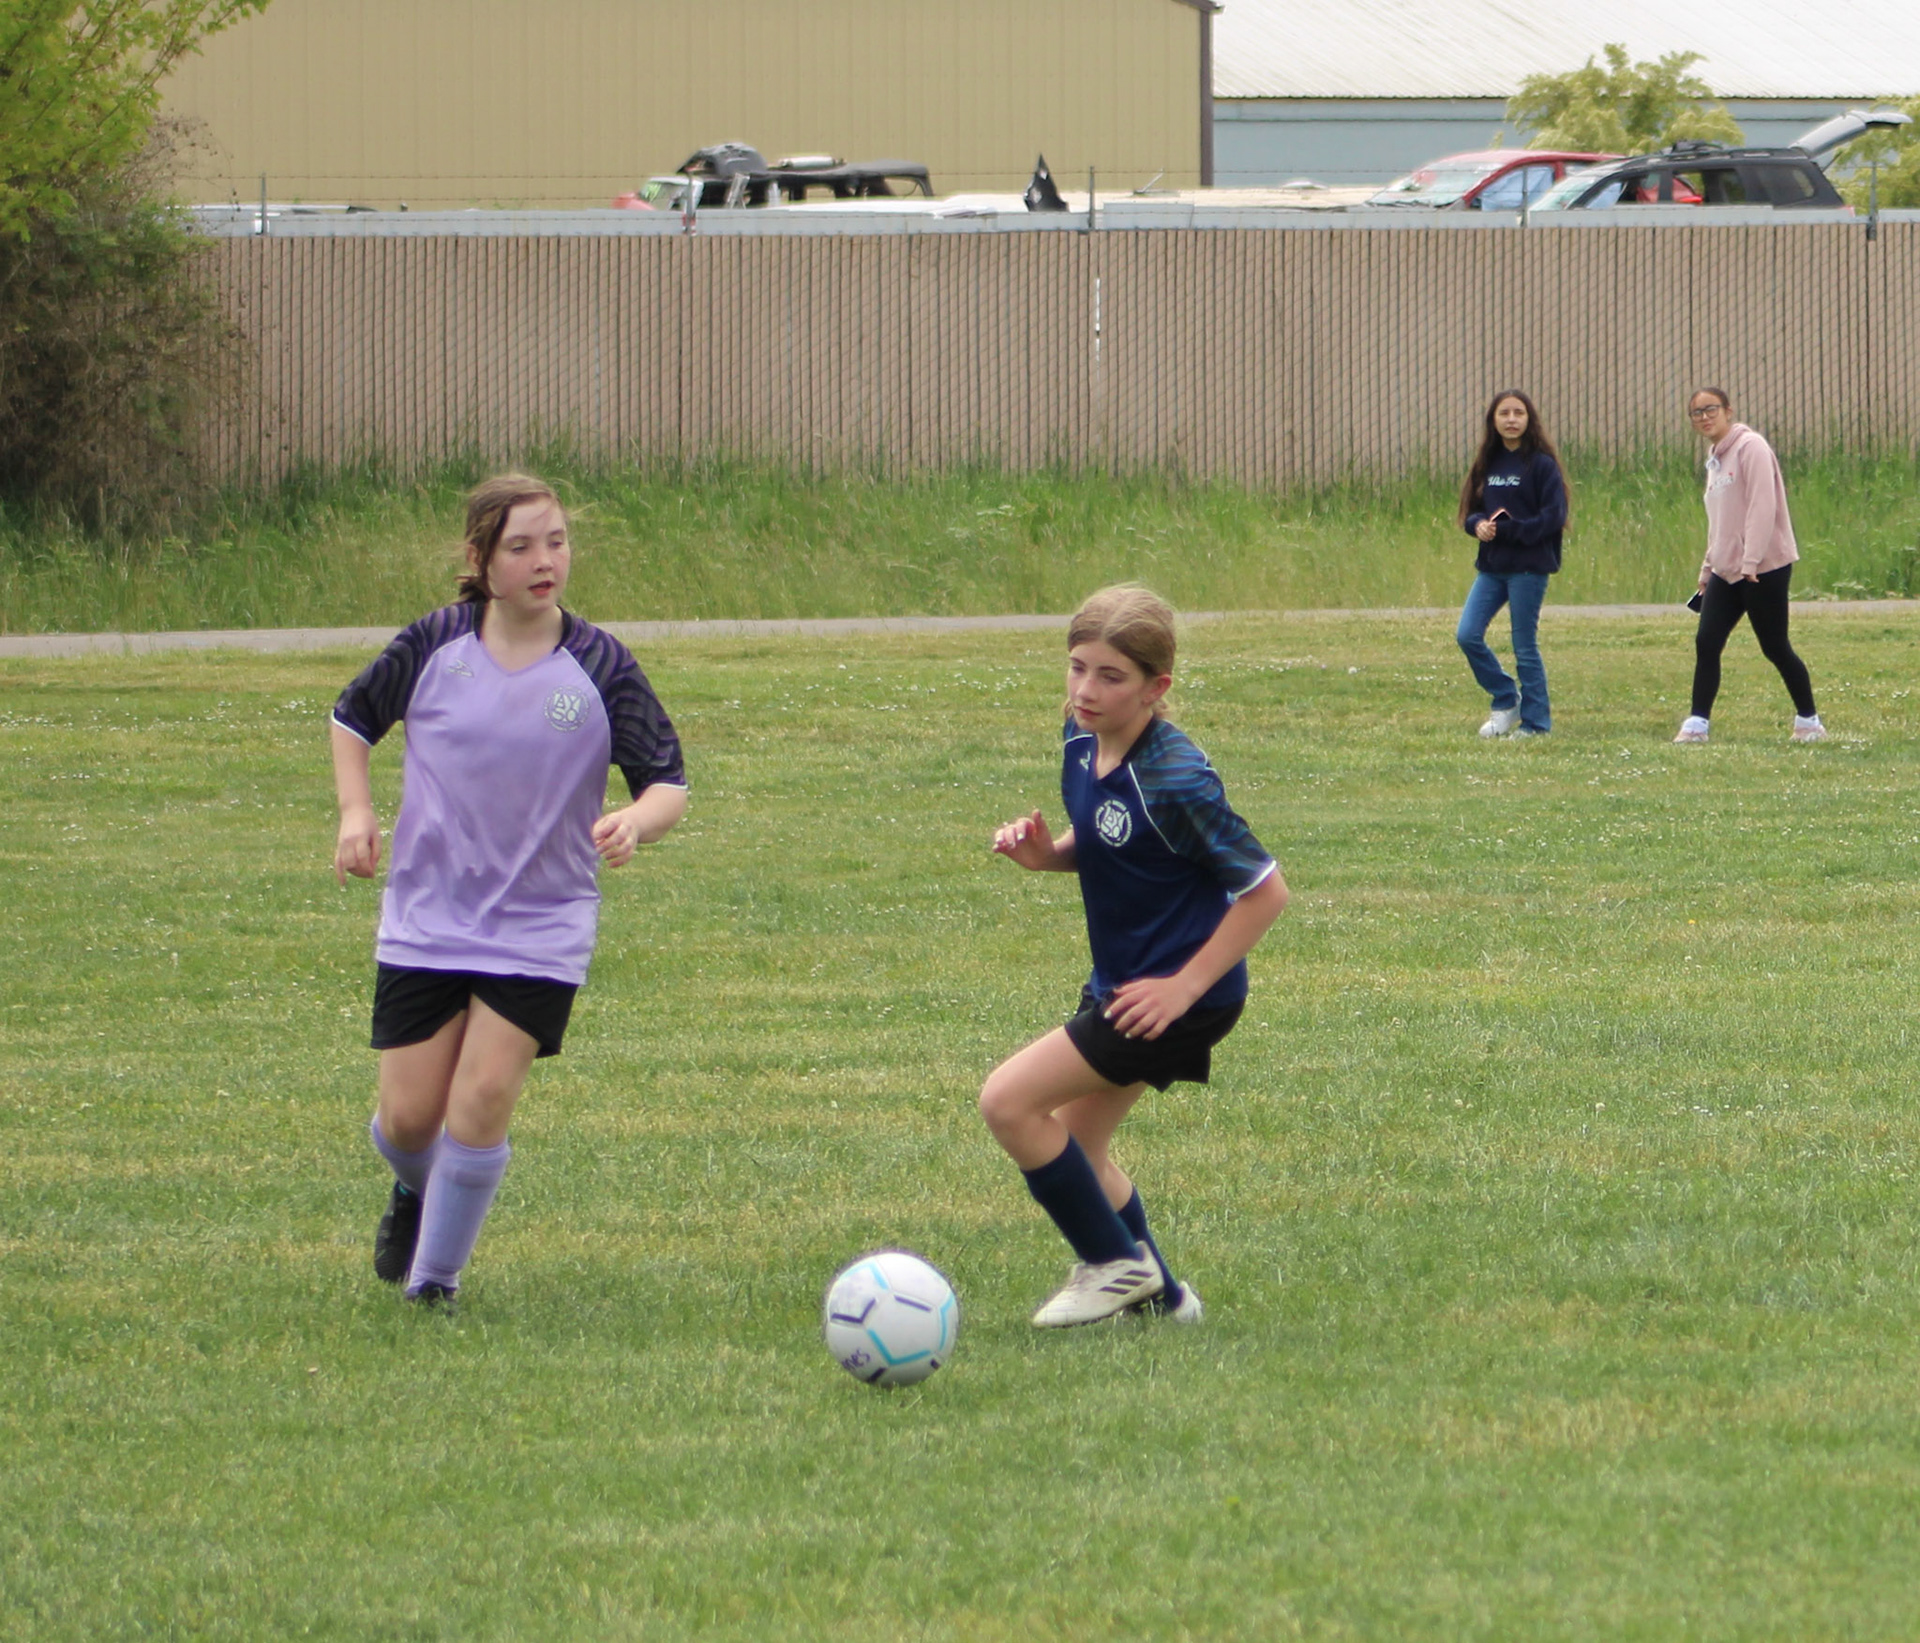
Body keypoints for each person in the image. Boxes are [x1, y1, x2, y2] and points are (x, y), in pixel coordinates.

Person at [330, 473, 687, 1311]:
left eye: (556, 541)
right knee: (409, 1121)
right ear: (479, 557)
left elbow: (668, 781)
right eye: (521, 546)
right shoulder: (435, 643)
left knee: (483, 1096)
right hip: (429, 912)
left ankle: (434, 1284)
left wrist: (637, 821)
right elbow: (352, 718)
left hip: (542, 920)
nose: (543, 560)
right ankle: (417, 1190)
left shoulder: (599, 663)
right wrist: (356, 811)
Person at [981, 585, 1288, 1328]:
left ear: (1157, 688)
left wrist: (1181, 988)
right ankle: (1166, 1302)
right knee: (1080, 1146)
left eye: (1110, 676)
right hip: (1124, 982)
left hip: (1178, 998)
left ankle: (1113, 1265)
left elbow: (1265, 892)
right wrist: (1046, 855)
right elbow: (1112, 843)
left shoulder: (1175, 778)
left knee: (1009, 1103)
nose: (1086, 689)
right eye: (1077, 667)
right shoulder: (1081, 734)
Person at [1673, 388, 1826, 744]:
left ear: (1728, 411)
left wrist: (1752, 560)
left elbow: (1762, 505)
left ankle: (1809, 721)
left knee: (1774, 646)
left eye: (1711, 409)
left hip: (1763, 567)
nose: (1704, 417)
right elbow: (1721, 520)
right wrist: (1708, 567)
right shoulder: (1715, 458)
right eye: (1696, 413)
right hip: (1726, 569)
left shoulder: (1751, 447)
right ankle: (1697, 724)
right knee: (1707, 641)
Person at [1455, 389, 1569, 738]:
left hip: (1528, 568)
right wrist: (1478, 525)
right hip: (1492, 568)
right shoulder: (1487, 463)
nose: (1511, 419)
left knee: (1524, 646)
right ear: (1493, 420)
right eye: (1504, 413)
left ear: (1529, 419)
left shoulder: (1542, 465)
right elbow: (1471, 512)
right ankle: (1506, 698)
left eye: (1518, 413)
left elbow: (1553, 518)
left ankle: (1536, 724)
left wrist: (1508, 530)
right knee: (1467, 634)